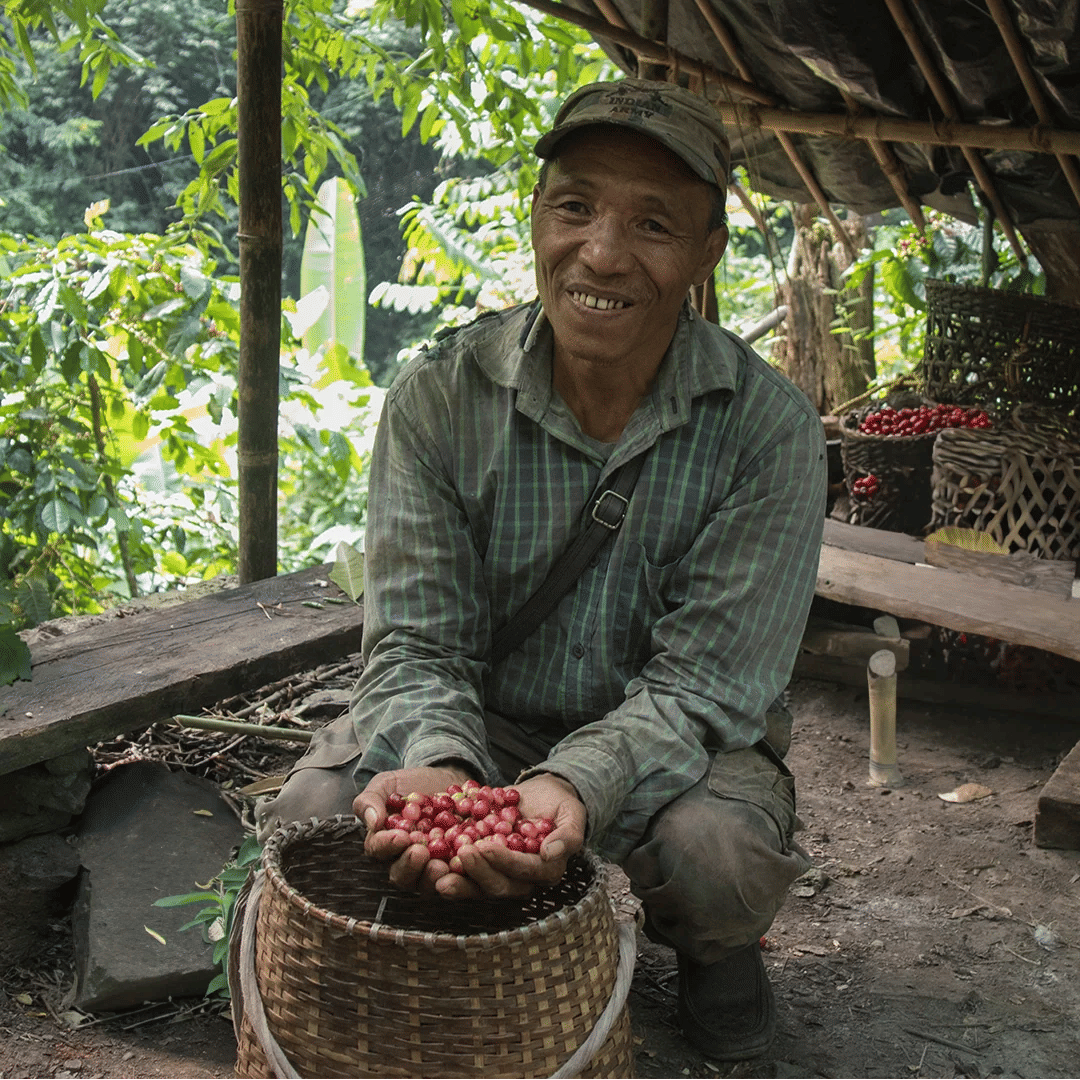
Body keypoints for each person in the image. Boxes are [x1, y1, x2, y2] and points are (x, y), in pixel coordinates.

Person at [256, 78, 827, 1061]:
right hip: (485, 715)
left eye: (653, 224)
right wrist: (446, 767)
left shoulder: (768, 431)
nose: (602, 255)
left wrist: (574, 783)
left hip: (673, 740)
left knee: (716, 859)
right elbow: (417, 639)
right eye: (575, 207)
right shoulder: (440, 397)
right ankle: (454, 925)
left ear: (706, 254)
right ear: (536, 216)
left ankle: (714, 951)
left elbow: (707, 685)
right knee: (316, 817)